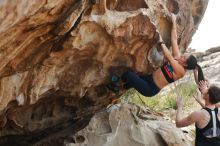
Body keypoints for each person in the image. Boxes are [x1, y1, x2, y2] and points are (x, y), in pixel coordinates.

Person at [120, 13, 200, 97]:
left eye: (184, 57)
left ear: (185, 64)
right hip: (149, 77)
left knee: (127, 74)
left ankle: (115, 84)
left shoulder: (181, 72)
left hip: (150, 88)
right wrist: (174, 21)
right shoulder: (178, 58)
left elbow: (169, 56)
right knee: (129, 83)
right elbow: (174, 40)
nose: (182, 56)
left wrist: (160, 41)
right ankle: (119, 88)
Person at [176, 81, 220, 146]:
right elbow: (210, 112)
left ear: (208, 96)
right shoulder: (218, 111)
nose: (204, 90)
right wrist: (200, 100)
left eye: (206, 90)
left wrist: (179, 107)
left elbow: (178, 124)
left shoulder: (198, 114)